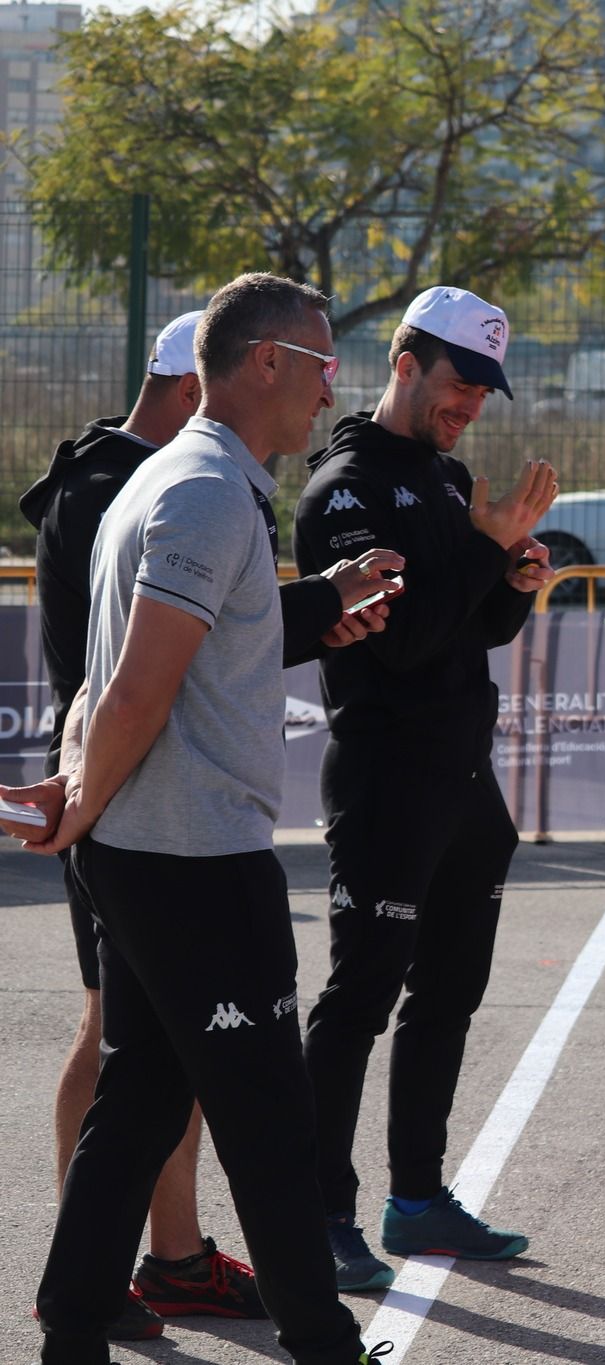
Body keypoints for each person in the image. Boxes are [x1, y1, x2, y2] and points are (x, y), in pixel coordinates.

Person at [5, 272, 400, 1365]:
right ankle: (322, 1342)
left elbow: (130, 670)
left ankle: (74, 1320)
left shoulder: (179, 478)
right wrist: (76, 805)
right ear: (266, 362)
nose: (332, 395)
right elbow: (136, 686)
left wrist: (326, 600)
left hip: (156, 852)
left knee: (137, 1100)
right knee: (271, 1121)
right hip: (191, 862)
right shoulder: (204, 493)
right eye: (324, 367)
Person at [294, 286, 558, 1291]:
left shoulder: (445, 480)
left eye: (486, 391)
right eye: (460, 383)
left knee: (446, 994)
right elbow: (399, 644)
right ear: (406, 361)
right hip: (385, 780)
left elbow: (467, 629)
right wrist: (485, 551)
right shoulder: (347, 491)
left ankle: (417, 1201)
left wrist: (510, 582)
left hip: (461, 779)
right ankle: (317, 1213)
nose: (472, 406)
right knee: (358, 999)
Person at [20, 310, 248, 1337]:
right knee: (118, 1031)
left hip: (134, 791)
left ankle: (169, 1257)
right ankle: (103, 1262)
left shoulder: (134, 472)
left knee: (154, 1037)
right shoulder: (124, 483)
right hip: (114, 794)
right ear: (196, 388)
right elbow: (149, 671)